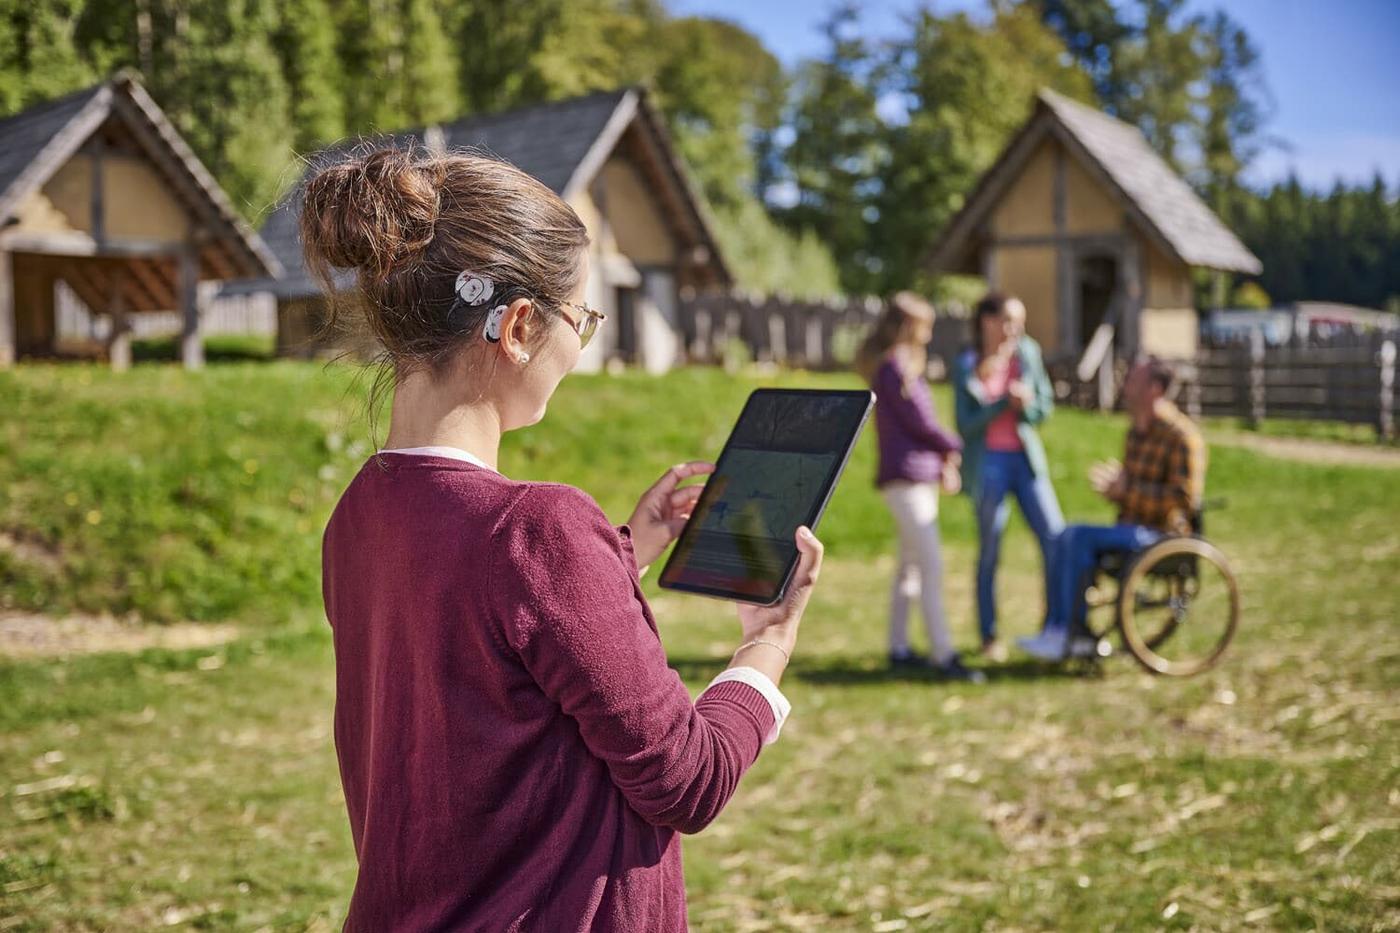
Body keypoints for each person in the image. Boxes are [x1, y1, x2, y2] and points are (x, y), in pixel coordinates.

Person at [308, 146, 825, 931]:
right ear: (518, 326)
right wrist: (769, 648)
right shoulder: (538, 530)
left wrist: (621, 549)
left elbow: (488, 639)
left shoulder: (360, 514)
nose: (579, 346)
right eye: (580, 319)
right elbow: (688, 780)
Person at [1019, 356, 1206, 661]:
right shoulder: (1136, 432)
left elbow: (1183, 500)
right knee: (1064, 536)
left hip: (1162, 537)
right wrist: (1117, 489)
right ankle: (1058, 628)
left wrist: (1127, 491)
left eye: (1134, 380)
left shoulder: (1183, 437)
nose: (1126, 386)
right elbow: (1133, 491)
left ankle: (1073, 632)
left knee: (1078, 536)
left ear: (1154, 389)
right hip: (1131, 530)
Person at [855, 291, 983, 683]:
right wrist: (955, 447)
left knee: (909, 568)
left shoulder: (900, 367)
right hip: (906, 479)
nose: (929, 335)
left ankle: (898, 648)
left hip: (915, 476)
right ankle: (944, 655)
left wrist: (944, 457)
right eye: (924, 326)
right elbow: (921, 423)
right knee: (931, 565)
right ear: (909, 326)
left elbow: (921, 425)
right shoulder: (894, 369)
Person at [952, 293, 1064, 662]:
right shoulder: (967, 364)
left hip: (1026, 461)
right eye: (1008, 321)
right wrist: (1002, 403)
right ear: (986, 321)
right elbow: (965, 425)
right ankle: (989, 635)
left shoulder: (1027, 353)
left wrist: (1027, 406)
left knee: (1055, 539)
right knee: (990, 550)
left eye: (1020, 322)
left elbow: (1044, 408)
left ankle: (1054, 626)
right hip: (989, 464)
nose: (1015, 330)